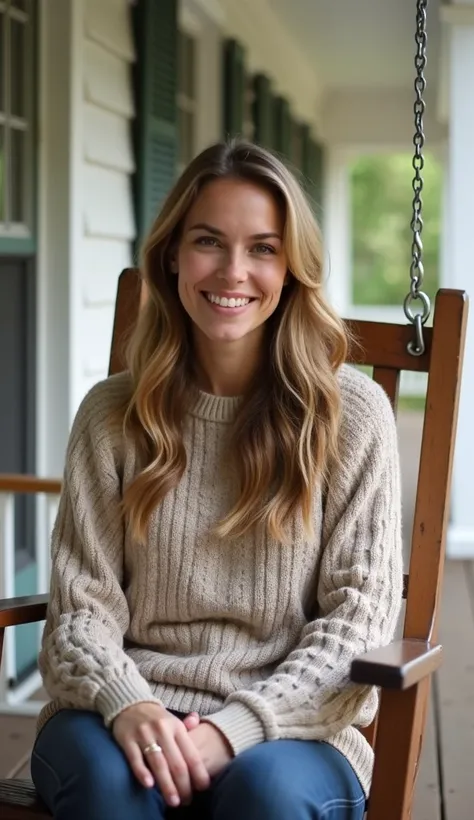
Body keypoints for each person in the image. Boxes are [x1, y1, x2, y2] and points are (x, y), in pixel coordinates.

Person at [31, 140, 403, 820]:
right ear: (173, 254)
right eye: (209, 241)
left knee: (263, 796)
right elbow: (82, 609)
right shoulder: (112, 414)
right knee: (115, 789)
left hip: (292, 725)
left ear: (291, 268)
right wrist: (128, 703)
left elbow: (357, 621)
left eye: (263, 247)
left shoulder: (350, 416)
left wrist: (234, 731)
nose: (234, 271)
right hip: (121, 708)